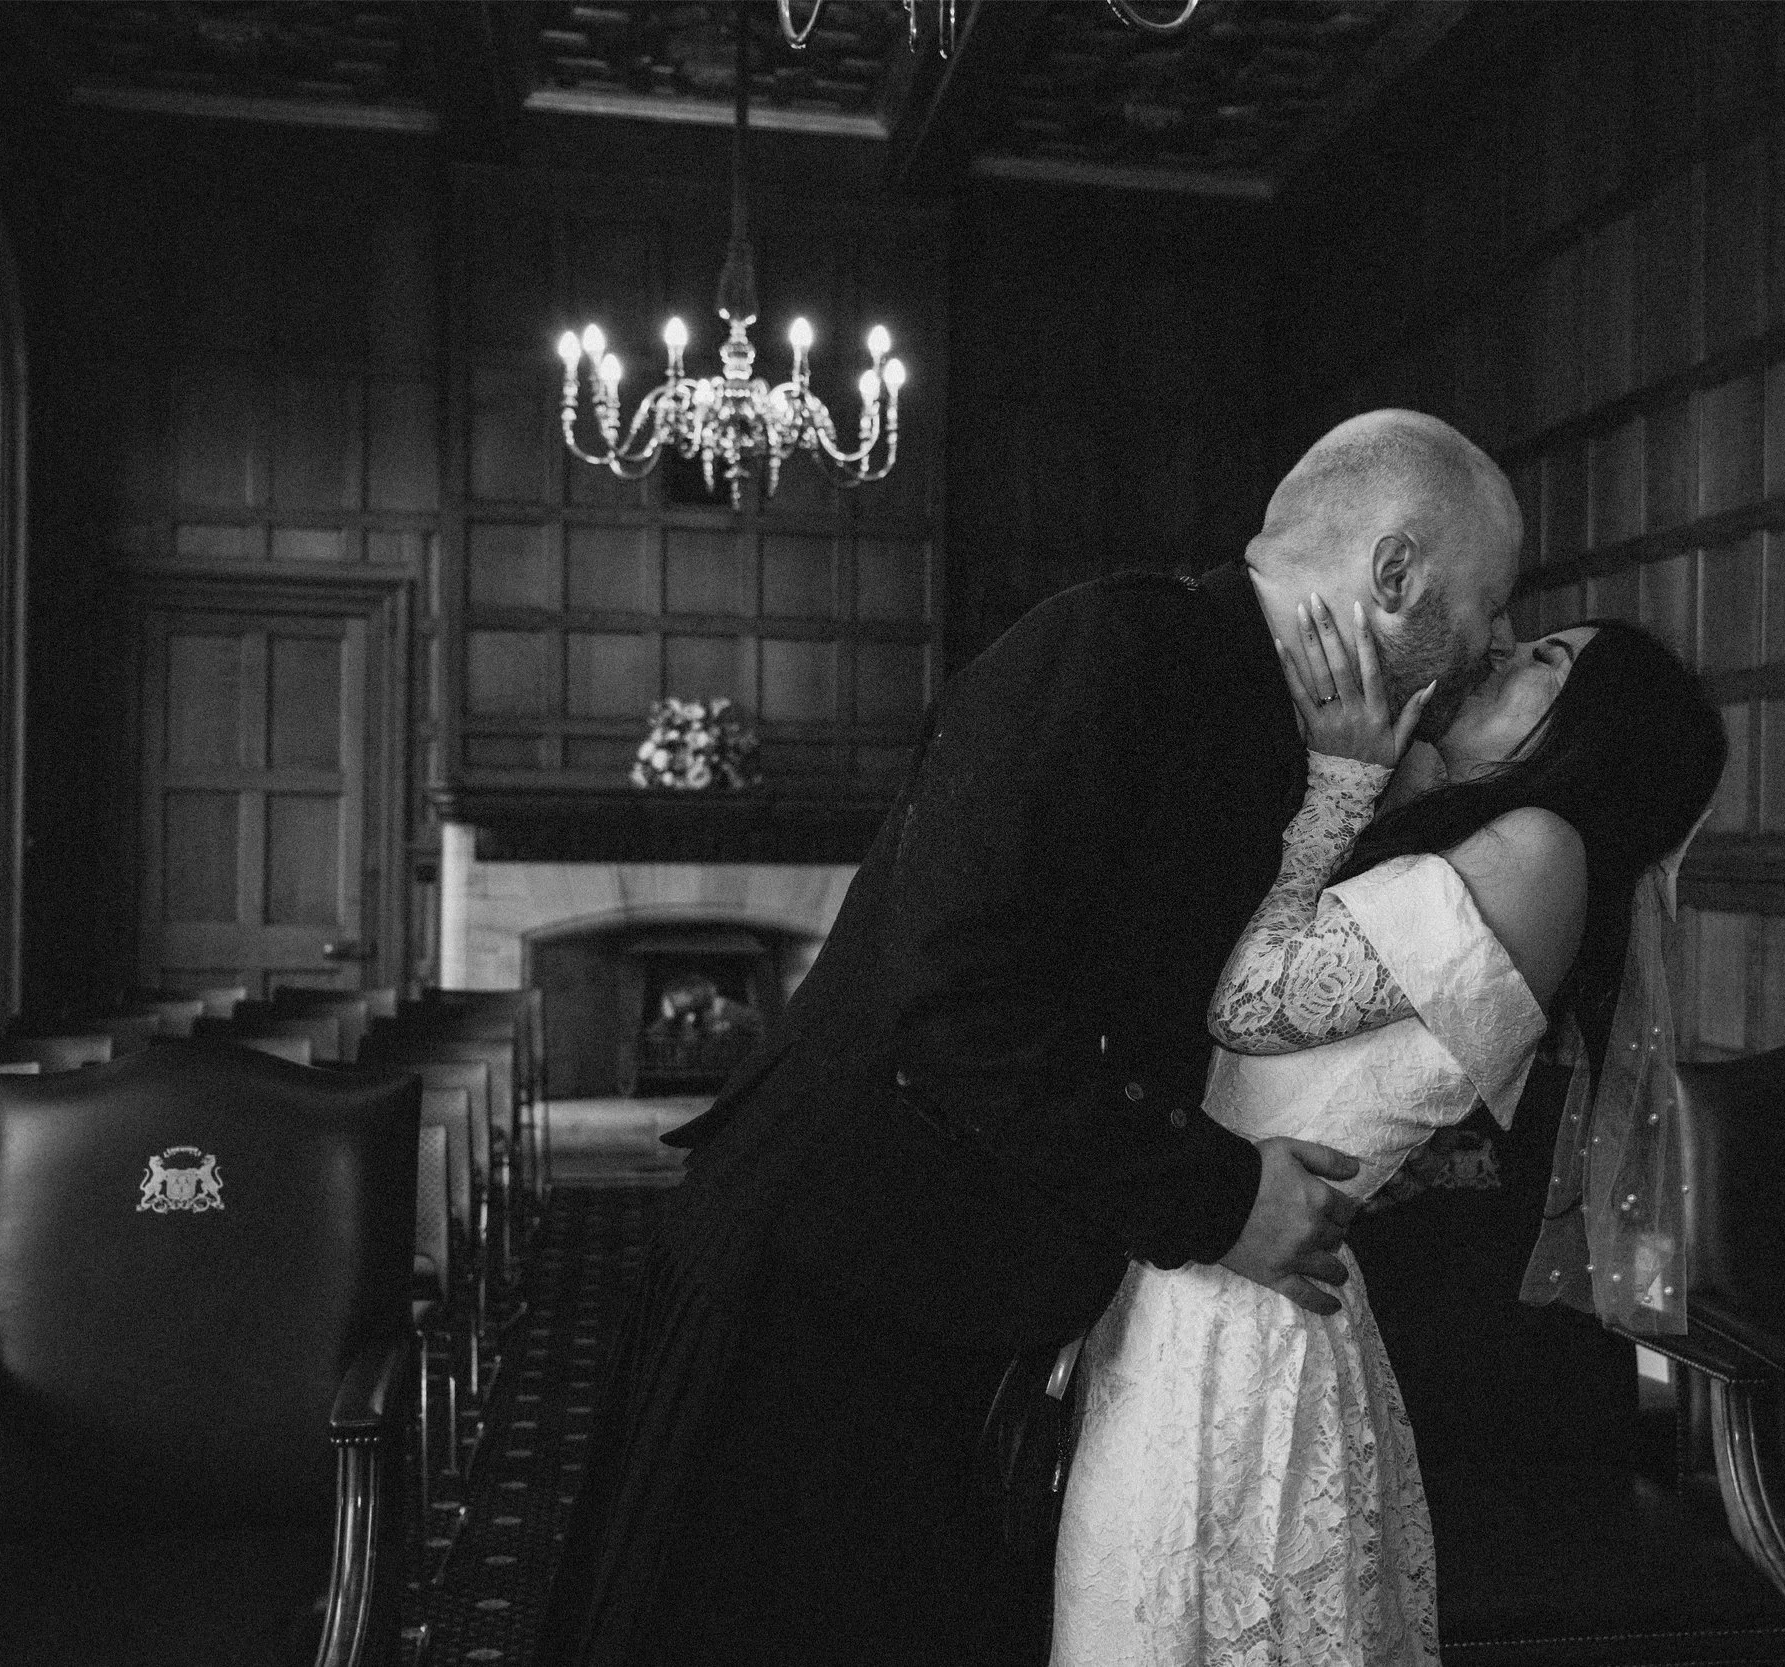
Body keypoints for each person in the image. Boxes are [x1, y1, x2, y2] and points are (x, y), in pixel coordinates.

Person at [538, 409, 1523, 1667]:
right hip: (822, 1287)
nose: (1495, 640)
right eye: (1489, 601)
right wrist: (1219, 1197)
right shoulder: (1120, 647)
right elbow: (953, 1004)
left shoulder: (1268, 714)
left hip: (935, 1296)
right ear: (1394, 573)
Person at [1051, 604, 1728, 1666]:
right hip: (1221, 1266)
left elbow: (1246, 1000)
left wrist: (1341, 776)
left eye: (1547, 658)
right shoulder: (1485, 837)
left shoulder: (1543, 848)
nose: (1504, 649)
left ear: (1596, 735)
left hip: (1243, 1316)